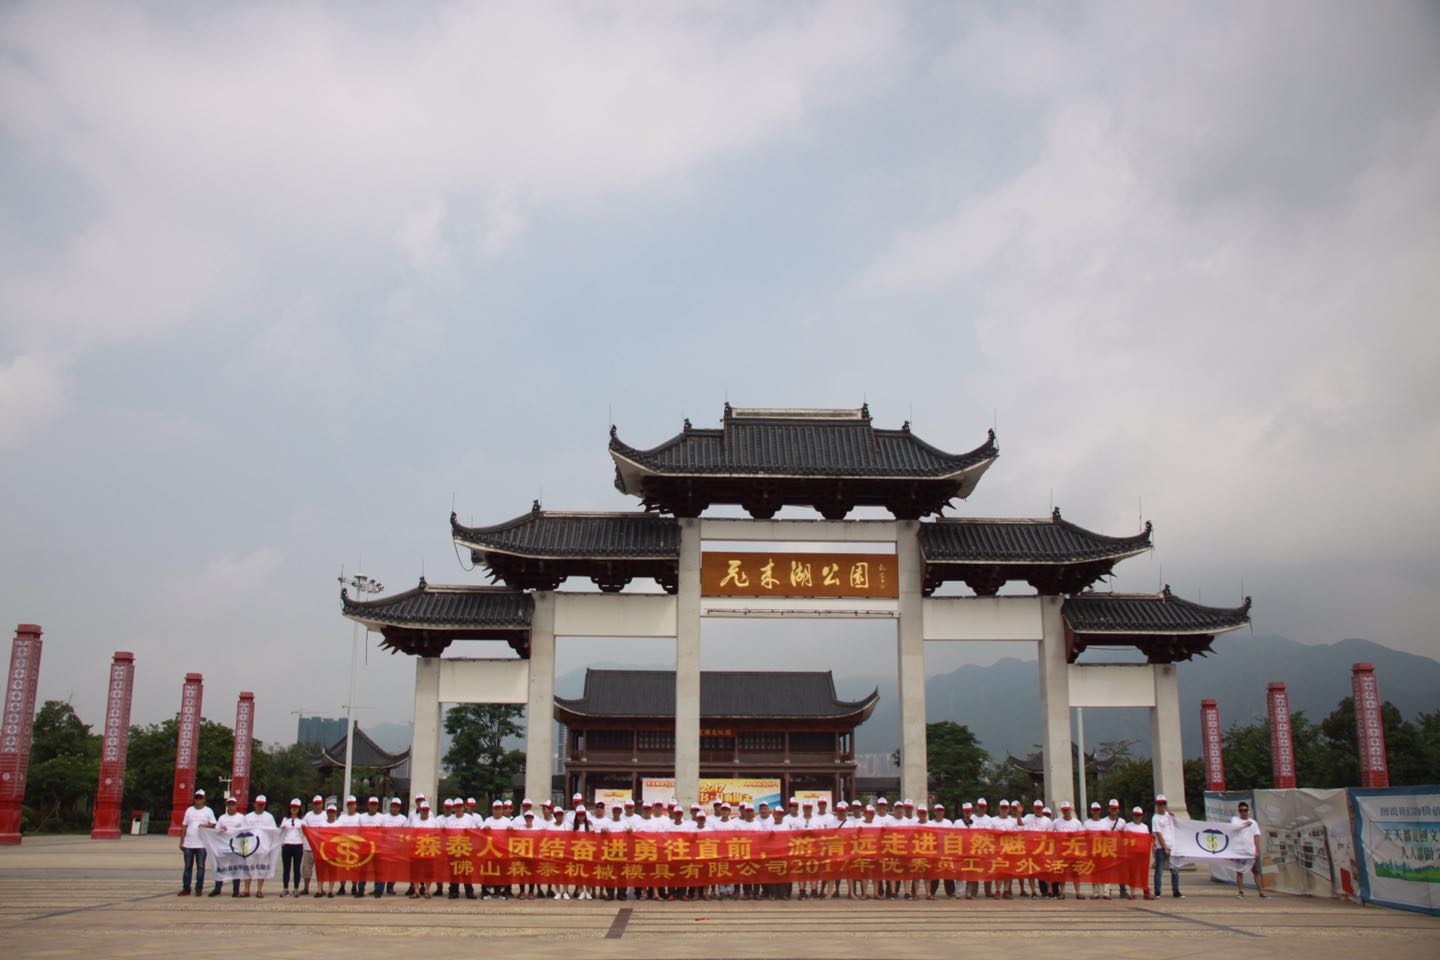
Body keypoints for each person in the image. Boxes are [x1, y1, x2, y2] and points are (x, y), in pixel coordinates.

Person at [178, 789, 215, 897]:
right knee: (187, 867)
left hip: (201, 844)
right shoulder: (189, 810)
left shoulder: (208, 811)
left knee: (201, 867)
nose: (198, 800)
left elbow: (213, 824)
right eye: (196, 798)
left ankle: (199, 889)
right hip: (189, 843)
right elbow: (184, 826)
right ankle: (186, 888)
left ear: (204, 799)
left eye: (200, 798)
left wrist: (205, 825)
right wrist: (182, 841)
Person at [1231, 801, 1270, 899]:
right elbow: (1234, 828)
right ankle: (1240, 892)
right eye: (1241, 810)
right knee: (1239, 871)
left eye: (1245, 810)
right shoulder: (1235, 820)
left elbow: (1256, 837)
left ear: (1248, 811)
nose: (1243, 812)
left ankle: (1261, 893)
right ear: (1239, 811)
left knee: (1256, 871)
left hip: (1251, 851)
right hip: (1240, 851)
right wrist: (1245, 824)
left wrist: (1257, 850)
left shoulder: (1253, 823)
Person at [242, 795, 277, 898]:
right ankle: (246, 889)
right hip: (250, 848)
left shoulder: (269, 817)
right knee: (248, 868)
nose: (260, 806)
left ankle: (259, 890)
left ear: (264, 805)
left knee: (261, 869)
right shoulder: (248, 817)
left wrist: (270, 846)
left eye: (262, 805)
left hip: (263, 848)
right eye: (258, 804)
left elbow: (274, 831)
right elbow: (242, 831)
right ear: (254, 804)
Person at [1050, 801, 1086, 900]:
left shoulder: (1077, 822)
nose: (1066, 812)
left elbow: (1081, 836)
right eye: (1064, 810)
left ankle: (1078, 892)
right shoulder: (1056, 822)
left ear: (1070, 810)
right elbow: (1050, 834)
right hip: (1061, 852)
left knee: (1075, 872)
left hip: (1074, 851)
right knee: (1062, 872)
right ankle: (1062, 892)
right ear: (1062, 811)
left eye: (1067, 810)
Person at [210, 796, 245, 897]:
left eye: (233, 805)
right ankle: (217, 888)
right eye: (229, 805)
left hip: (235, 847)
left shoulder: (241, 818)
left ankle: (235, 891)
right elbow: (216, 831)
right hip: (223, 847)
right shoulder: (222, 818)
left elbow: (245, 831)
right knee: (220, 868)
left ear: (236, 805)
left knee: (236, 869)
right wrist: (220, 829)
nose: (231, 807)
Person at [1150, 795, 1182, 899]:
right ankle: (1157, 892)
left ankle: (1176, 891)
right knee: (1159, 870)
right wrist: (1165, 847)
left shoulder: (1169, 815)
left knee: (1175, 869)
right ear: (1157, 805)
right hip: (1161, 847)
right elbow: (1158, 834)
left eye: (1163, 803)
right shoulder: (1155, 818)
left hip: (1172, 845)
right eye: (1160, 803)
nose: (1162, 805)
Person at [1122, 806, 1153, 900]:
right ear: (1133, 815)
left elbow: (1147, 840)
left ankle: (1145, 891)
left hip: (1142, 853)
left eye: (1139, 815)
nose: (1137, 817)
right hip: (1132, 853)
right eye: (1135, 815)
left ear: (1141, 816)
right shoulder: (1128, 826)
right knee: (1132, 873)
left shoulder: (1145, 827)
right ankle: (1132, 893)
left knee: (1143, 873)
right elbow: (1124, 839)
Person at [279, 799, 306, 897]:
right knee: (286, 868)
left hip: (298, 845)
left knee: (296, 868)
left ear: (299, 809)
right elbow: (281, 831)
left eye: (296, 808)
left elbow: (305, 833)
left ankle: (296, 888)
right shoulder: (285, 820)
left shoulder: (302, 821)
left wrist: (302, 829)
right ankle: (285, 888)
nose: (294, 809)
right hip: (287, 845)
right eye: (292, 807)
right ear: (290, 809)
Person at [301, 794, 327, 897]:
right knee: (307, 868)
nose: (317, 806)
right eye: (315, 804)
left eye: (318, 804)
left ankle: (321, 888)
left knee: (321, 869)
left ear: (322, 804)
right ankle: (306, 888)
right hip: (308, 846)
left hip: (321, 847)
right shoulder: (308, 815)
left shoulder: (325, 815)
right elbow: (303, 827)